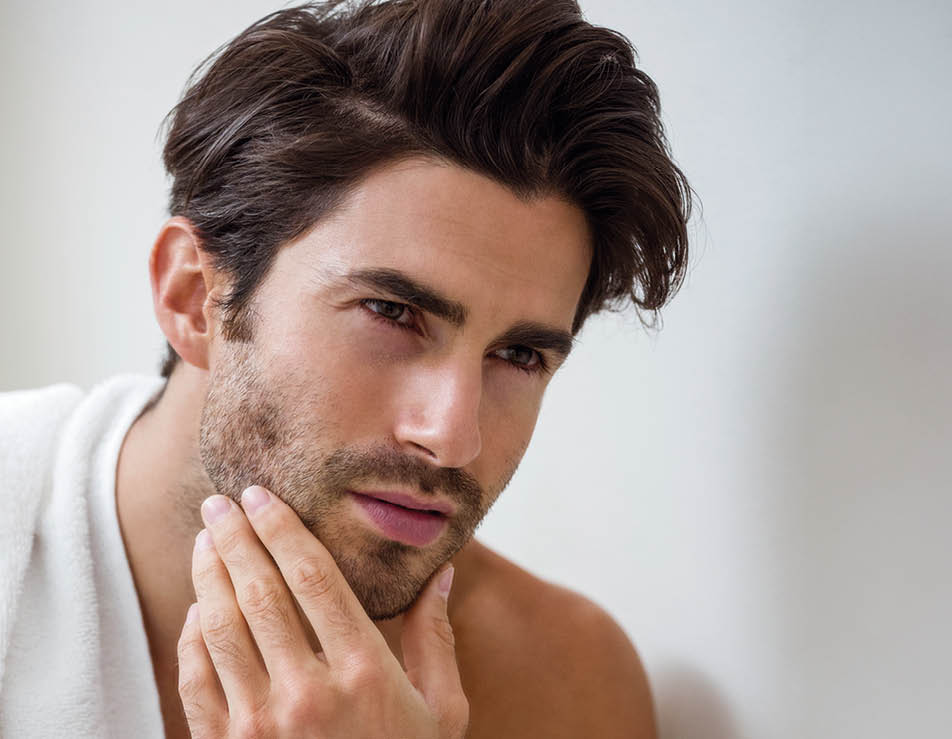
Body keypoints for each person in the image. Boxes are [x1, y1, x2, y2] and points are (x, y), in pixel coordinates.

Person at [0, 0, 691, 736]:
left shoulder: (563, 684)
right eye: (392, 312)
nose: (454, 439)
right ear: (194, 297)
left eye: (518, 355)